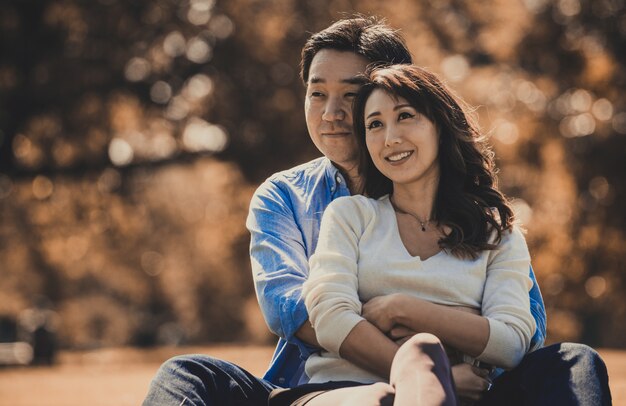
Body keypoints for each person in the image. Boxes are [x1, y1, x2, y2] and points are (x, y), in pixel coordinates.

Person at [142, 16, 610, 406]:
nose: (332, 112)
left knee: (573, 362)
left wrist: (406, 313)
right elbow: (296, 311)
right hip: (318, 385)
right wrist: (421, 366)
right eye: (317, 92)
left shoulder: (484, 220)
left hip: (472, 384)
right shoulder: (291, 199)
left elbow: (523, 333)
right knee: (187, 375)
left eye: (353, 95)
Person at [269, 63, 537, 405]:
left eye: (405, 116)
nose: (390, 138)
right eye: (375, 124)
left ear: (440, 125)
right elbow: (332, 318)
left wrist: (402, 309)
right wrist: (450, 349)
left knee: (576, 360)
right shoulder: (351, 216)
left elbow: (511, 342)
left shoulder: (497, 235)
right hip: (345, 392)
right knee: (382, 395)